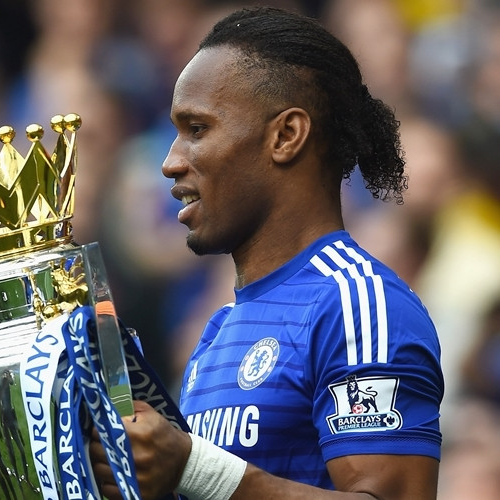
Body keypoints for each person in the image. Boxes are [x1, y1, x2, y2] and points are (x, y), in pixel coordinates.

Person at [90, 6, 443, 500]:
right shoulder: (218, 332)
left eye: (197, 129)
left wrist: (194, 468)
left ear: (285, 136)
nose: (170, 162)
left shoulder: (358, 305)